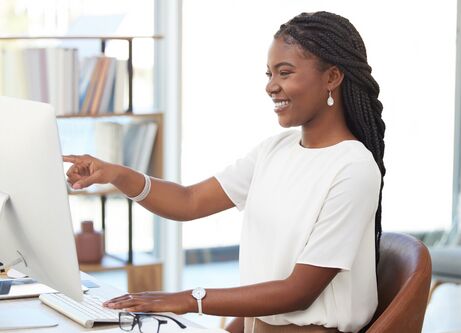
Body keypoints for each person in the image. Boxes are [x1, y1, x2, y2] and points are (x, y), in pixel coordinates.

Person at [64, 11, 385, 333]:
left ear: (332, 78)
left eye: (284, 73)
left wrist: (189, 299)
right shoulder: (274, 150)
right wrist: (117, 175)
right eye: (269, 74)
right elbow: (188, 201)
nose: (271, 87)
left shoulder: (353, 169)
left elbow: (299, 292)